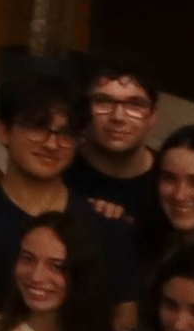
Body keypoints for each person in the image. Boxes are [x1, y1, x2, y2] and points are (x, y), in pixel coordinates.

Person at [0, 73, 139, 331]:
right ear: (4, 131)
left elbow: (125, 321)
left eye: (66, 133)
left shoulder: (104, 223)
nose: (52, 143)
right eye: (37, 128)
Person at [67, 55, 166, 245]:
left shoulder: (172, 183)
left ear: (152, 116)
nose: (118, 117)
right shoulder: (59, 170)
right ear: (82, 110)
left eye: (135, 105)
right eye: (103, 102)